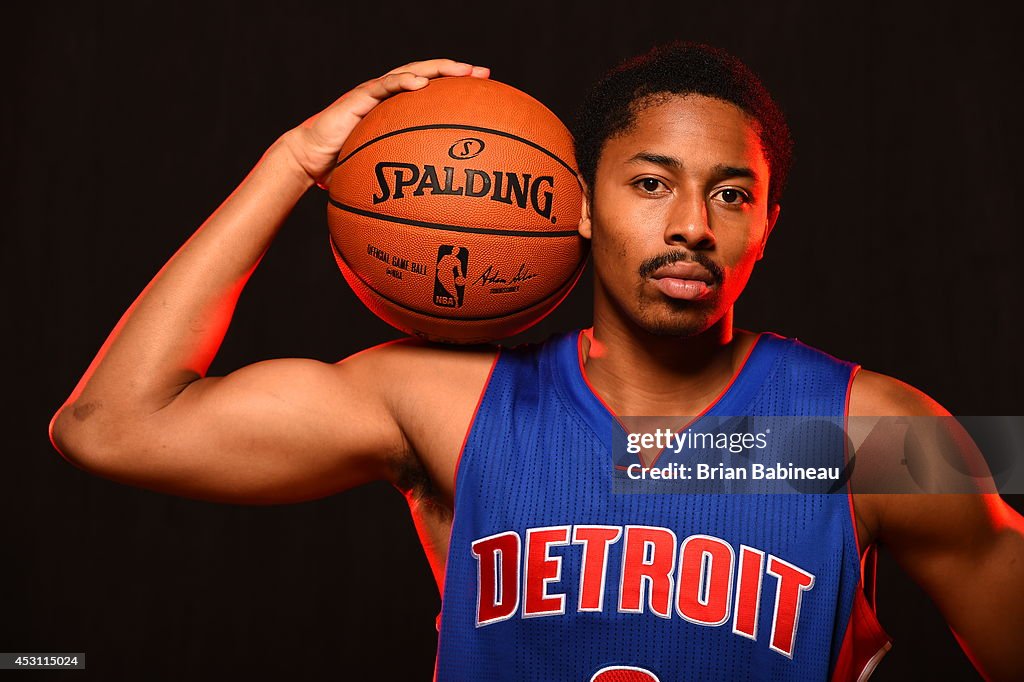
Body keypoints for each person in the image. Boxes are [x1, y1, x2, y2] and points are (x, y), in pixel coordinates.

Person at [48, 44, 1023, 681]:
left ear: (768, 224)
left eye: (731, 195)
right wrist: (295, 161)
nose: (690, 225)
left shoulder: (870, 435)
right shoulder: (445, 403)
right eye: (651, 183)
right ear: (581, 205)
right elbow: (110, 425)